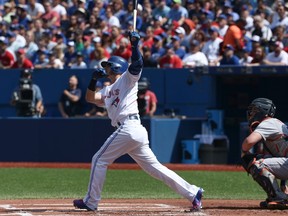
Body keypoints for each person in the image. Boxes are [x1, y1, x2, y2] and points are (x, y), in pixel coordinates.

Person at [73, 31, 204, 212]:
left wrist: (134, 46)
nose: (106, 68)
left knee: (99, 160)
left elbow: (137, 64)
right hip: (133, 130)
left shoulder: (127, 79)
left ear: (117, 67)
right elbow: (90, 98)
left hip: (129, 126)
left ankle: (91, 201)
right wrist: (93, 80)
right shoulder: (107, 89)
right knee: (154, 168)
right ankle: (193, 192)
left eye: (109, 65)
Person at [241, 98, 288, 209]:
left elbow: (248, 142)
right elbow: (281, 157)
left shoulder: (267, 123)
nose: (251, 113)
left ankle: (278, 198)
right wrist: (283, 184)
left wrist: (243, 152)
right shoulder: (275, 123)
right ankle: (279, 196)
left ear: (263, 110)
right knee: (261, 158)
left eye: (254, 110)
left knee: (257, 163)